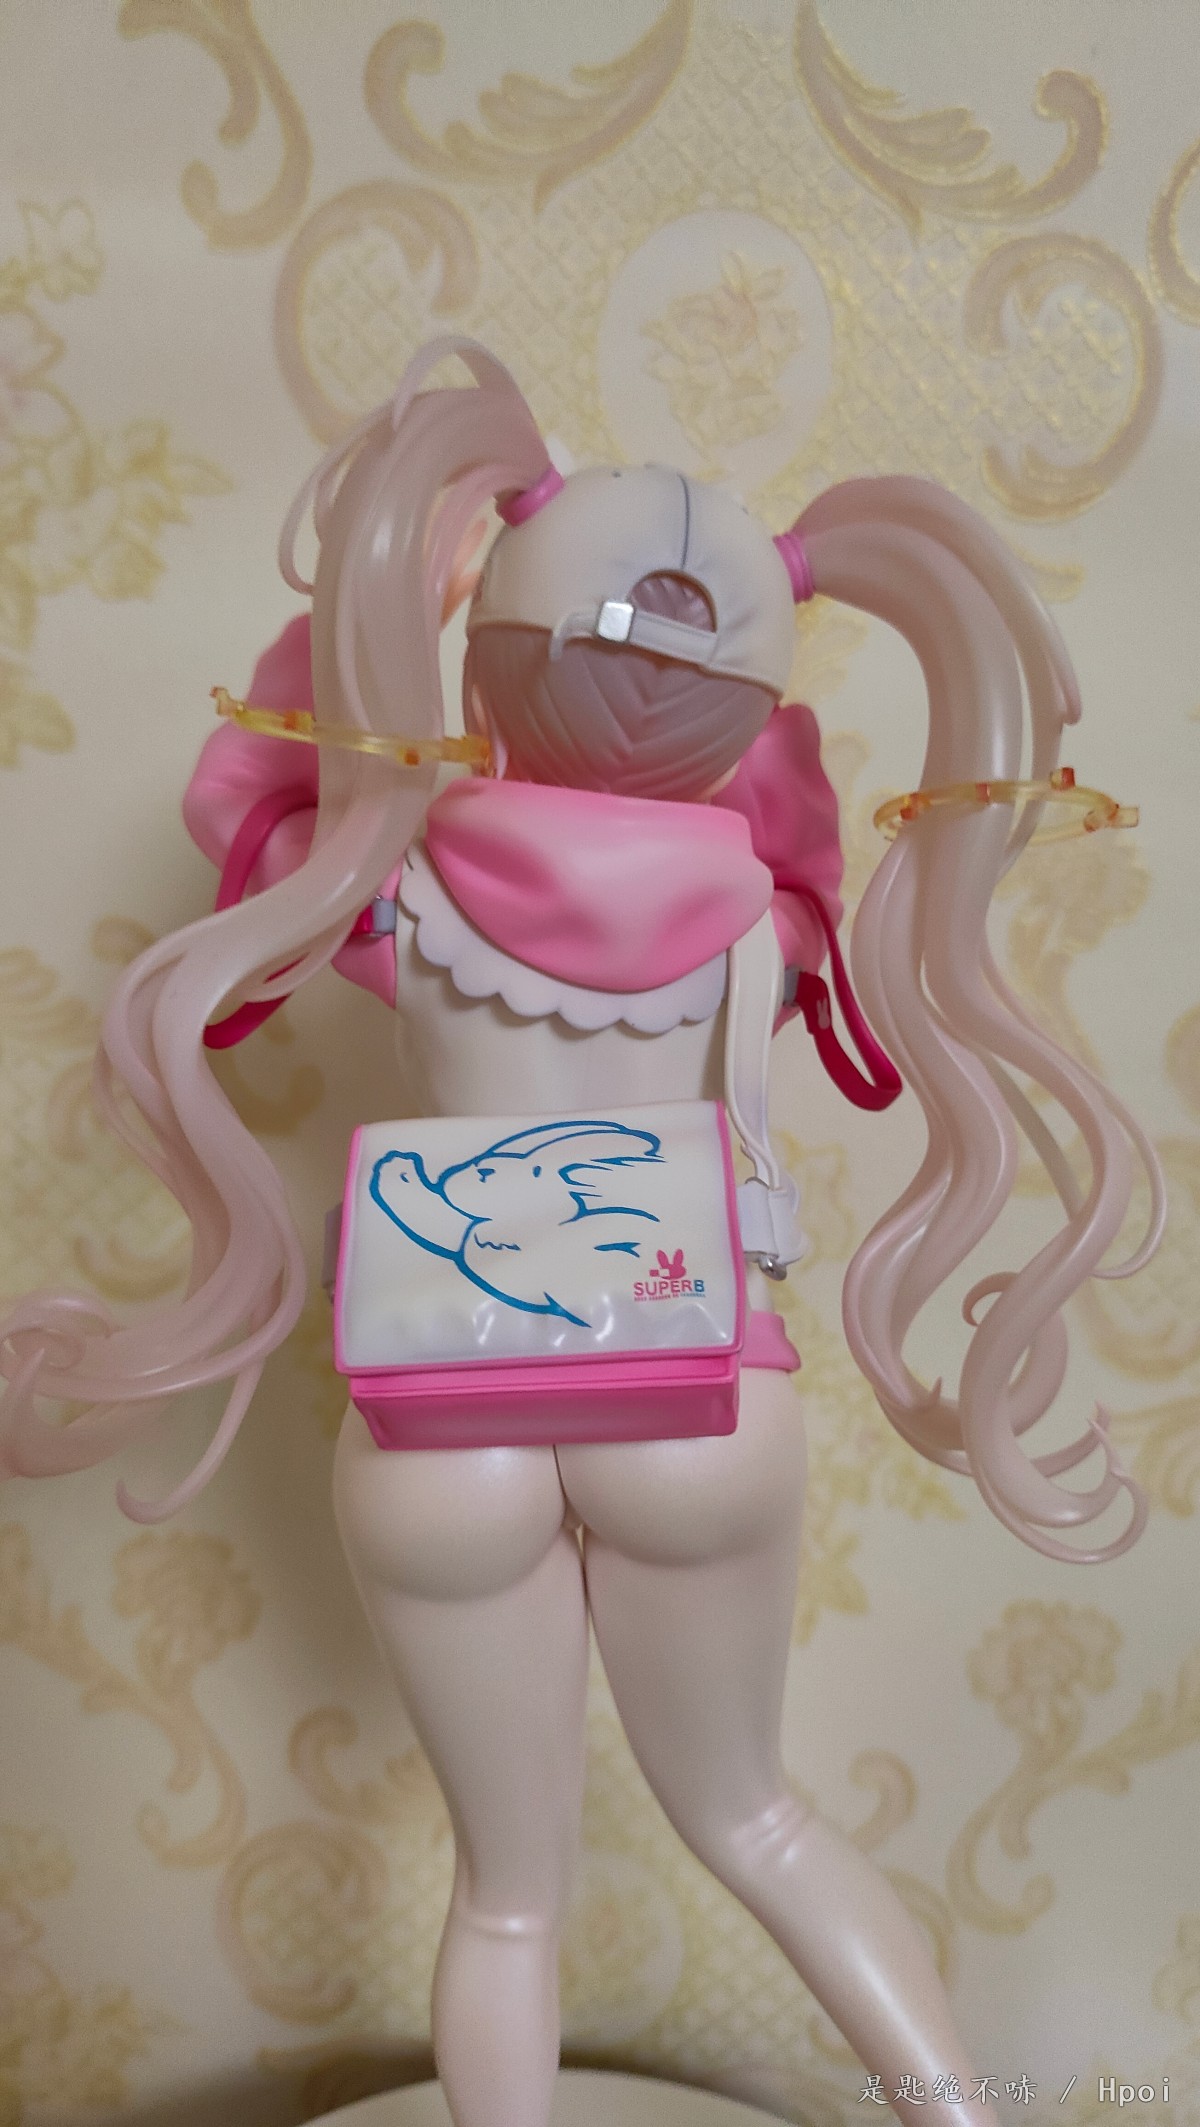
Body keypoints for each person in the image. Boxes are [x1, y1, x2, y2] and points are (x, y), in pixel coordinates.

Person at [0, 338, 1163, 2127]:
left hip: (439, 1410)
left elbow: (265, 786)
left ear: (489, 657)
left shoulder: (384, 885)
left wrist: (385, 615)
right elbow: (793, 867)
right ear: (758, 712)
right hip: (693, 1392)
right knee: (760, 1818)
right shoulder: (772, 927)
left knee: (505, 1897)